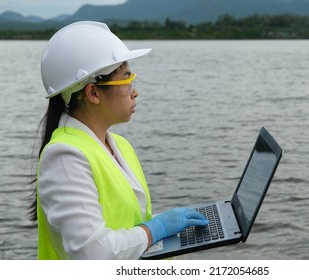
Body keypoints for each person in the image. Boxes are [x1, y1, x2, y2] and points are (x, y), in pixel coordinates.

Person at [29, 21, 208, 259]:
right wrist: (156, 229)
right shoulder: (64, 156)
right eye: (126, 79)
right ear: (93, 93)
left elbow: (125, 221)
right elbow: (94, 252)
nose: (134, 91)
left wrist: (167, 226)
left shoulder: (119, 145)